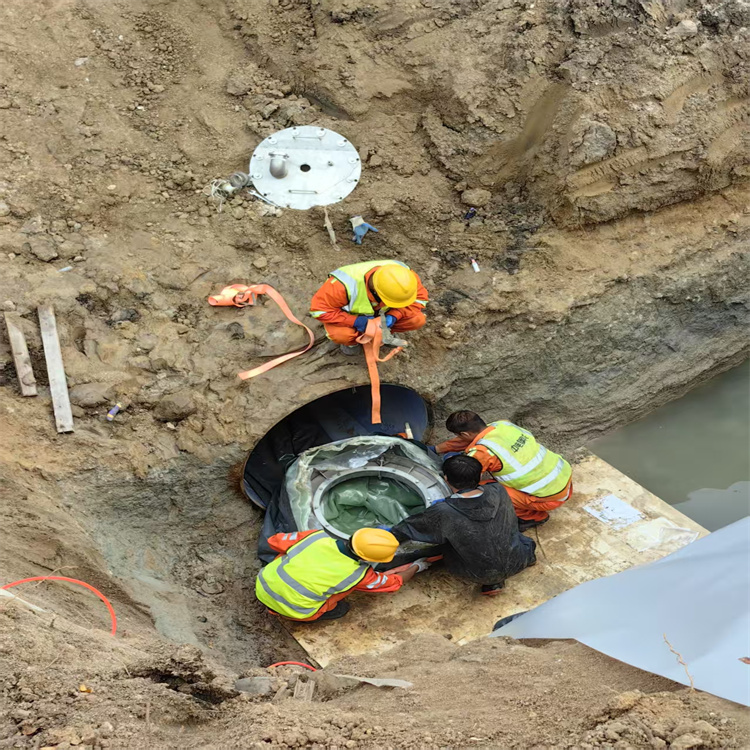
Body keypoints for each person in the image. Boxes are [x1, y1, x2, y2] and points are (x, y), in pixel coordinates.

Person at [391, 455, 537, 596]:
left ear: (446, 479)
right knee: (514, 538)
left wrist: (386, 535)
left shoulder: (443, 511)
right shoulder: (498, 490)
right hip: (520, 558)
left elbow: (409, 529)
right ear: (480, 476)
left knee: (443, 545)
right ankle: (499, 580)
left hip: (475, 573)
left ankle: (491, 581)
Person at [255, 527, 430, 621]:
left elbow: (274, 541)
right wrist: (417, 566)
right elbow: (393, 583)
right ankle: (301, 614)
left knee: (289, 554)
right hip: (295, 610)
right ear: (368, 558)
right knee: (342, 603)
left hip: (262, 585)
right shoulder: (358, 574)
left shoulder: (316, 537)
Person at [436, 411, 573, 529]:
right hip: (564, 479)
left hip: (549, 497)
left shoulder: (483, 453)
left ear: (464, 433)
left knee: (483, 493)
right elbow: (470, 440)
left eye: (459, 435)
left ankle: (533, 517)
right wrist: (437, 449)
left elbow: (465, 480)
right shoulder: (502, 425)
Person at [309, 260, 429, 353]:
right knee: (341, 334)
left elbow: (419, 300)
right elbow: (319, 310)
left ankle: (385, 333)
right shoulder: (341, 285)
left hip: (384, 313)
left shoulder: (406, 278)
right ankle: (352, 342)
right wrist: (357, 321)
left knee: (416, 320)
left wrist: (394, 316)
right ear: (376, 291)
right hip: (350, 315)